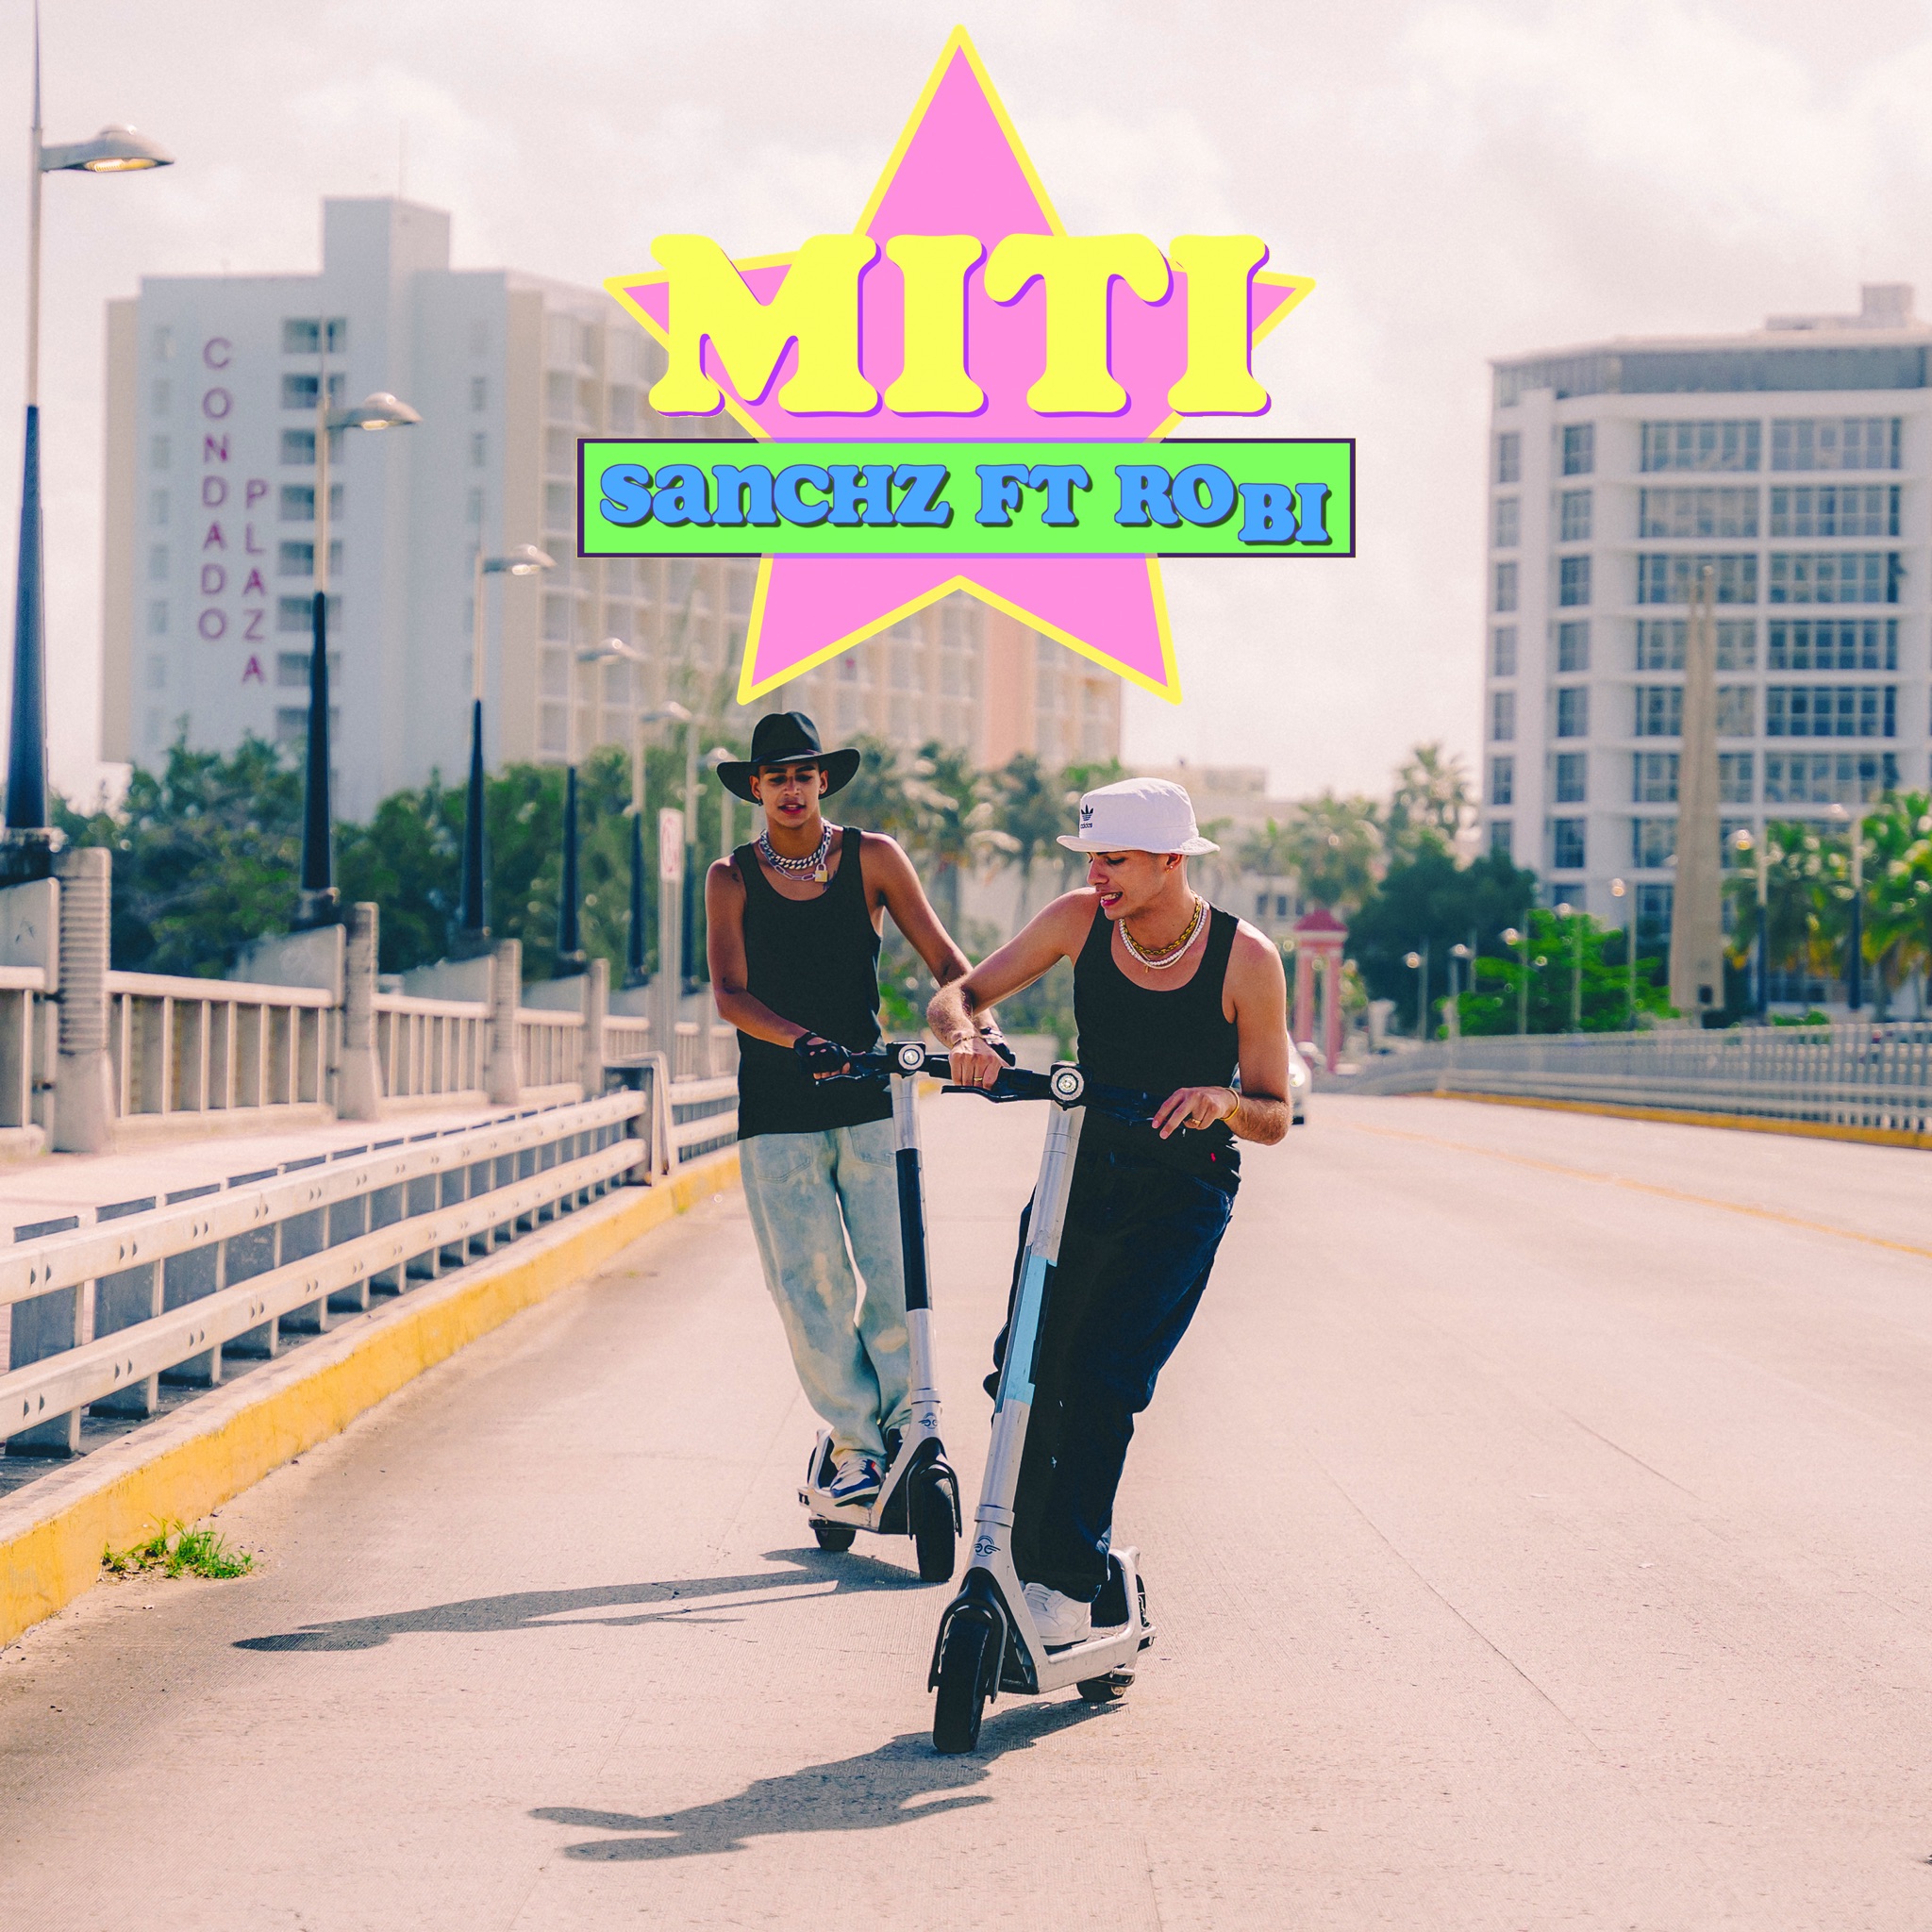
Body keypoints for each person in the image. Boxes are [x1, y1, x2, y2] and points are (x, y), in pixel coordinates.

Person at [926, 775, 1290, 1644]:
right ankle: (1023, 1559)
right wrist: (969, 1040)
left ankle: (1065, 1582)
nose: (1098, 876)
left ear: (1171, 860)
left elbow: (1274, 1113)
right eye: (1092, 859)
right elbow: (955, 997)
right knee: (1025, 1368)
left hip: (1185, 1193)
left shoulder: (1247, 960)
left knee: (1102, 1381)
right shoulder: (1077, 921)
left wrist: (1222, 1101)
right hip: (1079, 1177)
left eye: (1115, 860)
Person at [708, 711, 1004, 1508]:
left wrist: (981, 1029)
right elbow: (730, 993)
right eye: (777, 778)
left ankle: (909, 1426)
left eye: (804, 775)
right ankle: (854, 1446)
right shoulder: (729, 878)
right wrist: (800, 1040)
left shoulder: (872, 857)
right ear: (756, 788)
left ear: (824, 781)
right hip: (777, 1111)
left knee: (895, 1271)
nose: (792, 790)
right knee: (809, 1288)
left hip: (871, 1100)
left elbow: (946, 960)